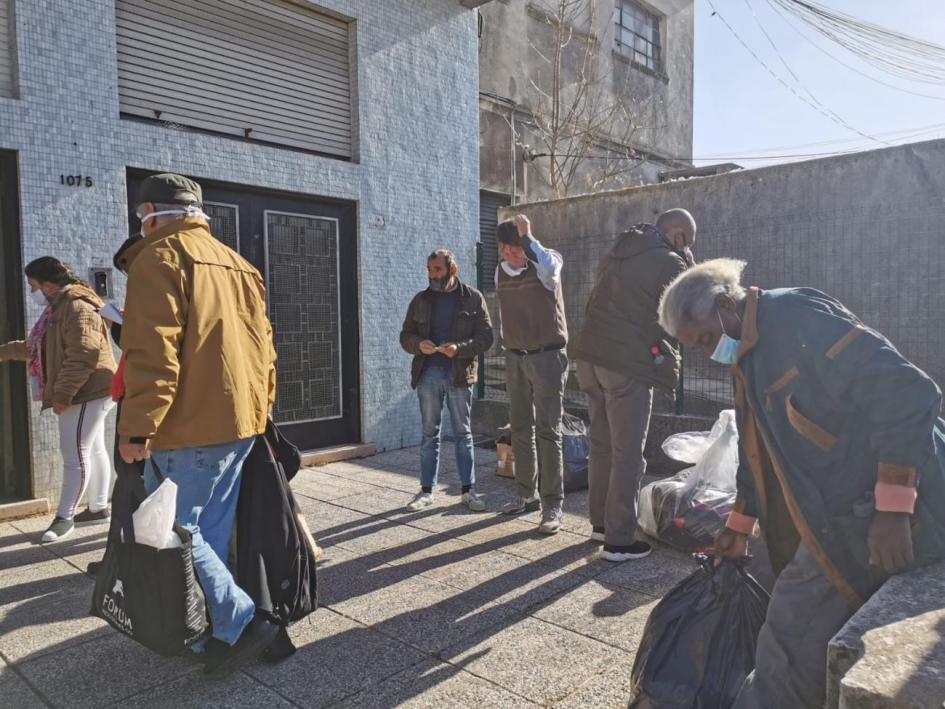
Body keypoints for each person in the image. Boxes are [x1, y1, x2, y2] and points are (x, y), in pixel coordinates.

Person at [657, 258, 945, 708]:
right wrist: (737, 525)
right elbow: (758, 448)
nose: (708, 353)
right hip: (828, 511)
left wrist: (894, 505)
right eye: (696, 347)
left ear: (725, 305)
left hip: (870, 507)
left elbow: (907, 391)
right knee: (786, 609)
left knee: (788, 640)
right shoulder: (747, 354)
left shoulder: (796, 317)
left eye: (706, 339)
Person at [117, 173, 279, 674]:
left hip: (187, 426)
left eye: (142, 218)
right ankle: (216, 630)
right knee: (209, 528)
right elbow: (264, 348)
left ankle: (246, 622)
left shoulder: (158, 259)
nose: (141, 228)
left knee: (175, 529)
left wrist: (137, 428)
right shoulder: (240, 264)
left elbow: (152, 355)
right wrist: (263, 406)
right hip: (239, 421)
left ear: (153, 213)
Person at [572, 209, 696, 561]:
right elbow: (680, 319)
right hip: (625, 365)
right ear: (679, 236)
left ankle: (600, 523)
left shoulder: (619, 251)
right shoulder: (669, 261)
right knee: (628, 452)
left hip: (588, 357)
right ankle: (620, 539)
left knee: (602, 445)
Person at [0, 257, 116, 543]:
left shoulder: (76, 306)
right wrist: (5, 351)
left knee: (75, 453)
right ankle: (99, 507)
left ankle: (65, 518)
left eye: (33, 286)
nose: (31, 293)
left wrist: (63, 394)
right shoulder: (61, 307)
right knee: (93, 448)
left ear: (49, 285)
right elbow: (38, 347)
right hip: (92, 389)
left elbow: (83, 354)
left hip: (86, 391)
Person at [399, 249, 494, 512]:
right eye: (430, 270)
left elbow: (486, 338)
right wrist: (419, 344)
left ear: (453, 270)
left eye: (437, 270)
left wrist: (459, 348)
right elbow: (405, 336)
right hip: (427, 373)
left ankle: (469, 491)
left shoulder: (473, 298)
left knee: (463, 434)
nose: (432, 275)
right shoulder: (420, 300)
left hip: (459, 375)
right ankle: (426, 491)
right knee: (430, 434)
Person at [494, 214, 568, 534]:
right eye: (507, 249)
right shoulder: (500, 271)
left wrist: (528, 237)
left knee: (548, 431)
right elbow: (503, 312)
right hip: (515, 356)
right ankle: (526, 495)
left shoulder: (546, 261)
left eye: (517, 247)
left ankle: (553, 505)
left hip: (547, 356)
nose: (513, 254)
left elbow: (550, 272)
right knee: (520, 429)